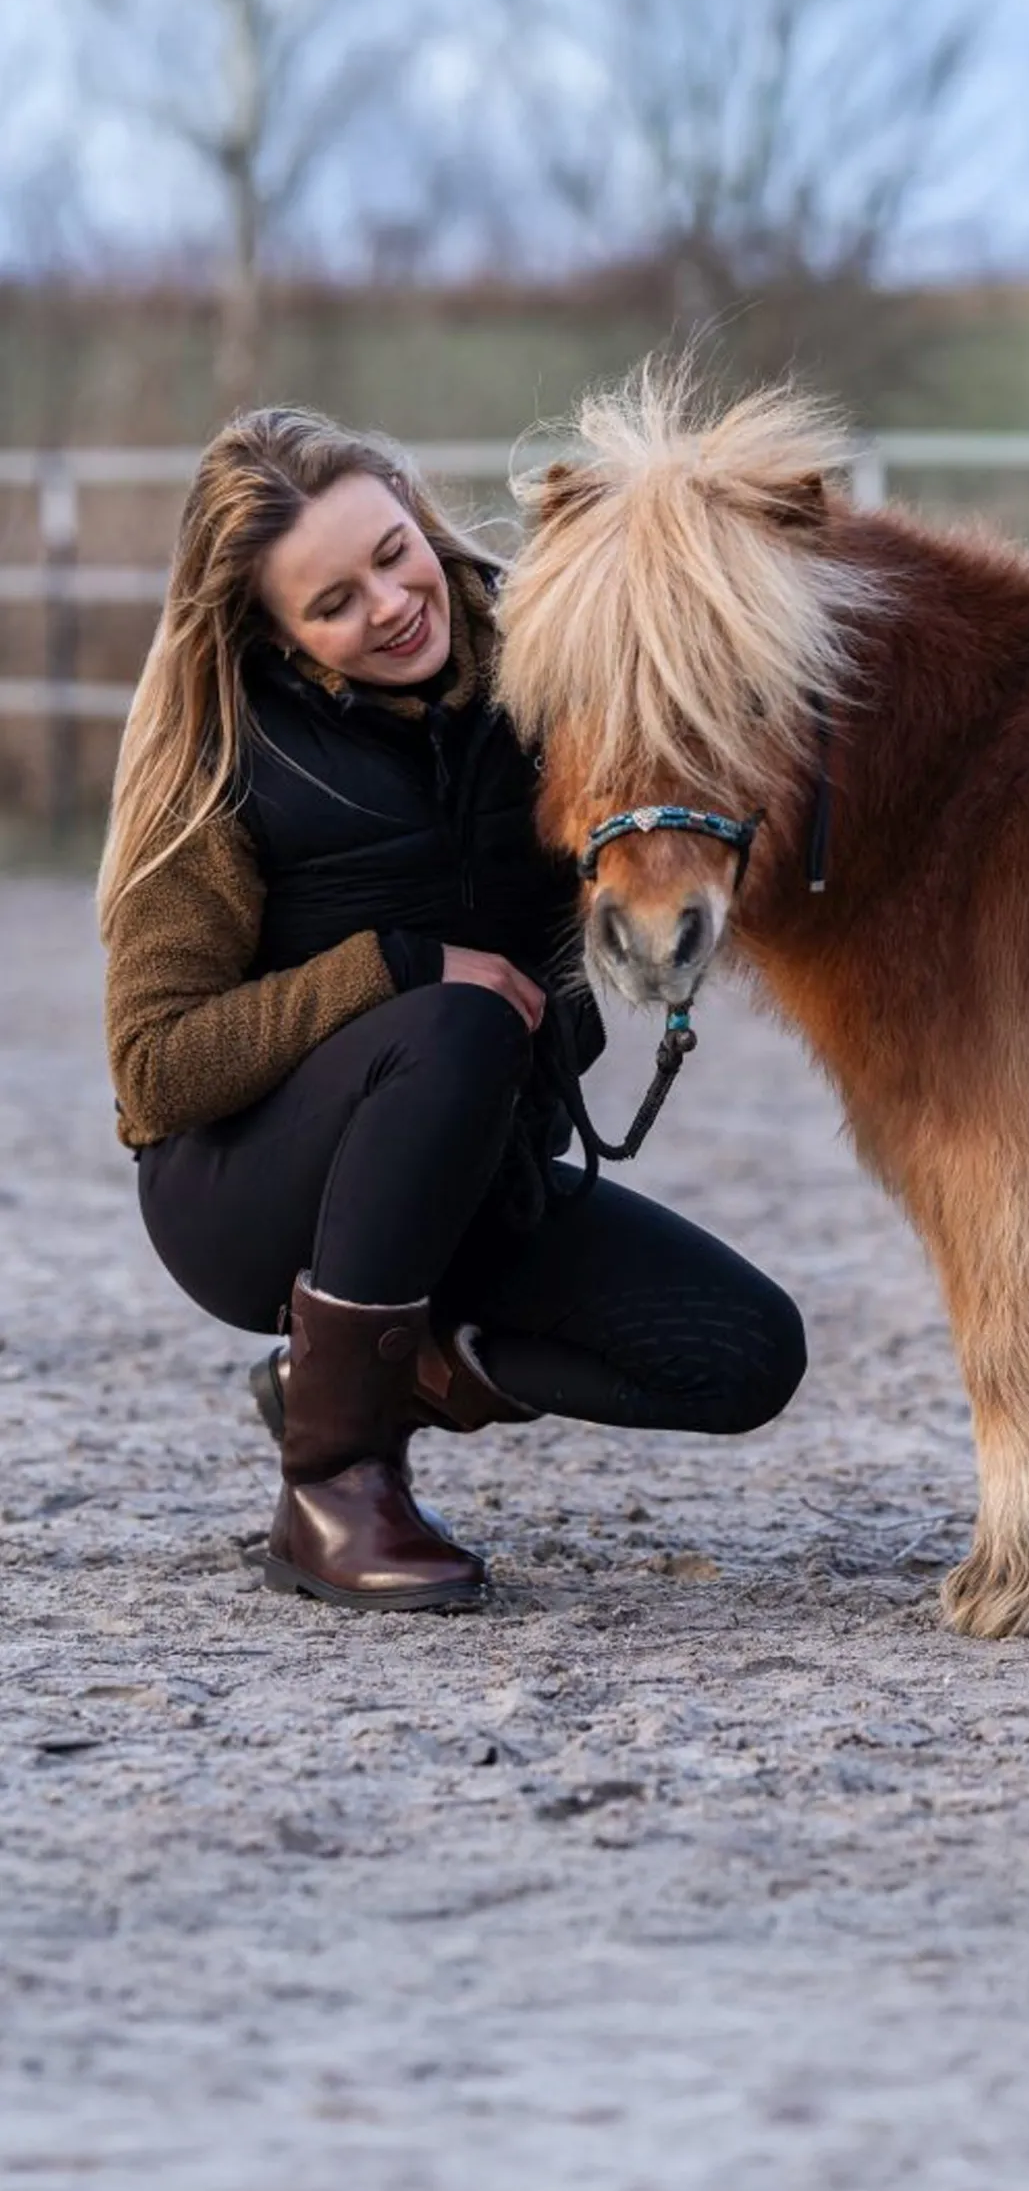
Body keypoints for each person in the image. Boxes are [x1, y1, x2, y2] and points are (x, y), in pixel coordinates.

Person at [98, 406, 806, 1614]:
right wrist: (398, 965)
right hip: (248, 1195)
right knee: (454, 1017)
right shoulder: (222, 755)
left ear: (414, 511)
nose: (388, 603)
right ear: (272, 632)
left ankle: (384, 1370)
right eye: (331, 602)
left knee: (743, 1354)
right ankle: (332, 1485)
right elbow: (156, 1073)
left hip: (477, 1172)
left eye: (390, 552)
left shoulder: (544, 680)